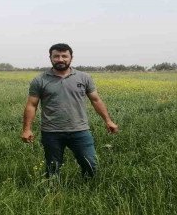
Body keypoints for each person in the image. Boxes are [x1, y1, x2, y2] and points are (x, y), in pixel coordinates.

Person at [21, 43, 118, 179]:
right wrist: (26, 129)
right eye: (56, 56)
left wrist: (108, 120)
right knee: (53, 167)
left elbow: (95, 100)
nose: (60, 59)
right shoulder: (40, 80)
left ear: (71, 58)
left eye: (64, 56)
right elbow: (32, 105)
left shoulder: (84, 77)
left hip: (80, 130)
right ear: (51, 58)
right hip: (51, 132)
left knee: (90, 164)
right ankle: (53, 193)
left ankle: (89, 190)